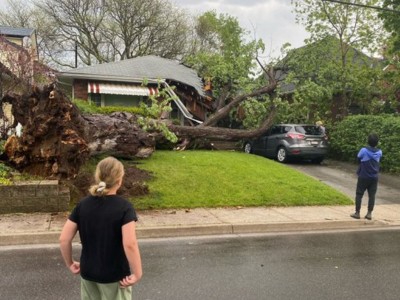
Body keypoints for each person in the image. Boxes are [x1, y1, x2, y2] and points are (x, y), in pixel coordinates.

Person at [60, 156, 142, 300]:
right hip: (115, 276)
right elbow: (130, 244)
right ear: (119, 180)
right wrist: (137, 273)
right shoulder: (124, 208)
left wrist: (70, 263)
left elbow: (64, 239)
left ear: (97, 177)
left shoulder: (83, 205)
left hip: (88, 273)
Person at [350, 133, 383, 220]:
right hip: (374, 177)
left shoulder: (364, 150)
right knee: (372, 195)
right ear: (377, 142)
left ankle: (357, 213)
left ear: (368, 141)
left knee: (359, 194)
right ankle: (369, 213)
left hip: (363, 176)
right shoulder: (379, 152)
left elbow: (358, 158)